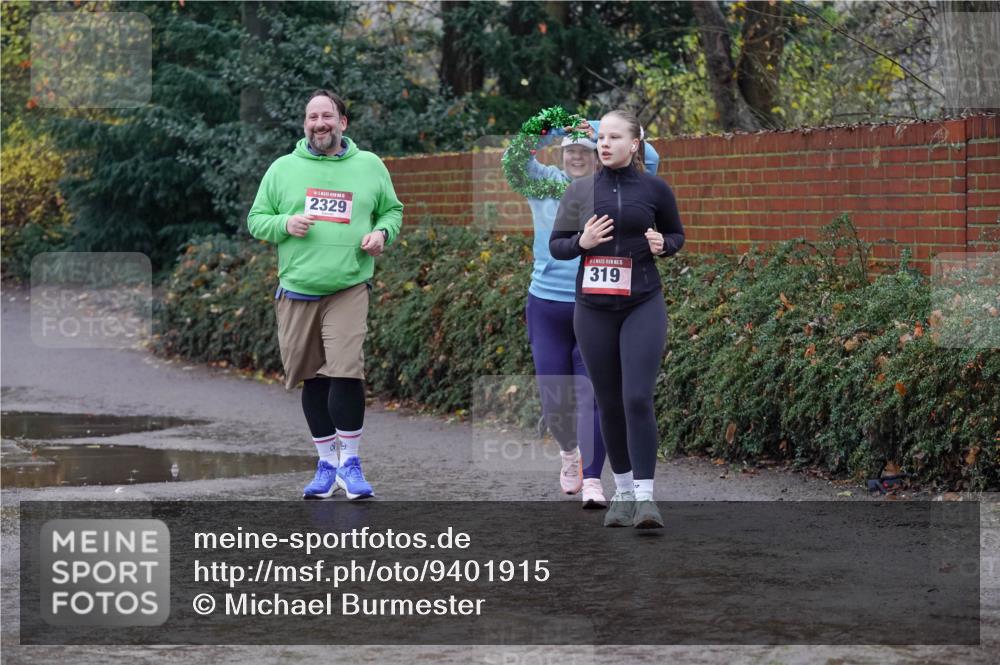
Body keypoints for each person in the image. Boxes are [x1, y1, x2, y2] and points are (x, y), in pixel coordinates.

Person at [247, 89, 403, 501]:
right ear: (305, 124)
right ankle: (326, 464)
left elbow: (392, 210)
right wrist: (285, 223)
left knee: (346, 368)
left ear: (342, 122)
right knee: (311, 377)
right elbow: (256, 220)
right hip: (298, 288)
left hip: (349, 284)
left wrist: (382, 233)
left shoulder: (369, 165)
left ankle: (350, 462)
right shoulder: (283, 169)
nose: (320, 123)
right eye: (312, 117)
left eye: (327, 116)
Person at [506, 116, 659, 508]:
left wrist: (595, 126)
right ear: (561, 155)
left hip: (597, 303)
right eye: (570, 150)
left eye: (585, 150)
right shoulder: (543, 184)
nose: (577, 156)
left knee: (594, 394)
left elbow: (649, 154)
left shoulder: (613, 187)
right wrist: (558, 124)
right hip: (547, 304)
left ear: (597, 155)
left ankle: (593, 479)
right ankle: (569, 454)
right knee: (553, 396)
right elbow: (513, 156)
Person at [549, 109, 683, 528]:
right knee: (608, 401)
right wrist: (581, 241)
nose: (603, 144)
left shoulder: (655, 189)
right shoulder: (580, 191)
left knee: (637, 398)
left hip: (642, 302)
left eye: (613, 137)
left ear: (634, 144)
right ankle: (622, 493)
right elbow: (557, 246)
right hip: (593, 309)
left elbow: (677, 234)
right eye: (600, 138)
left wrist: (665, 244)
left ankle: (645, 496)